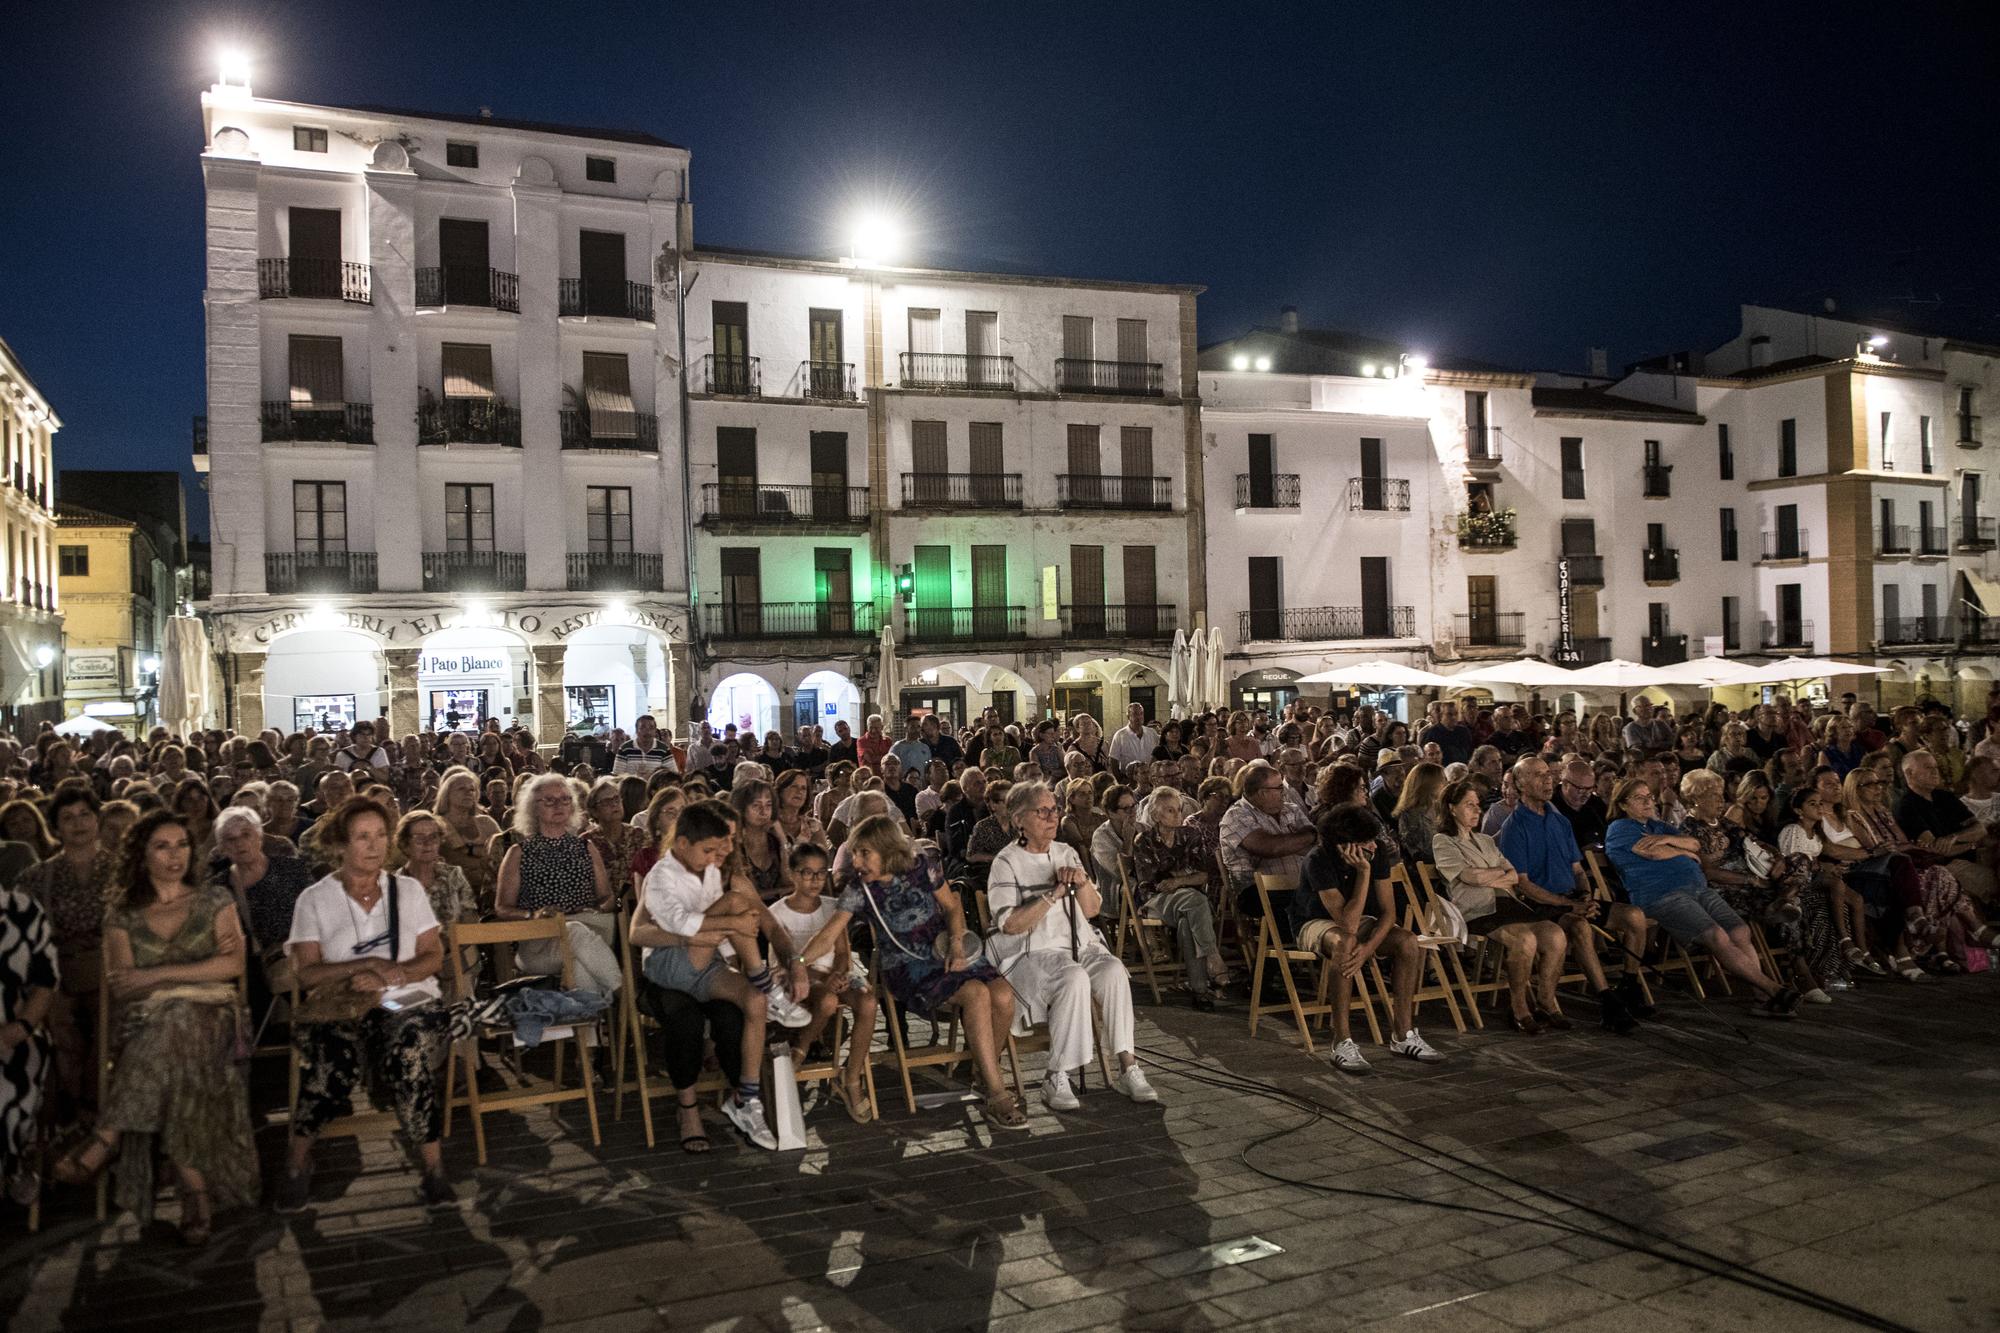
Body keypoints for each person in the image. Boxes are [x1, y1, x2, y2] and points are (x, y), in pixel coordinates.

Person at [53, 809, 258, 1243]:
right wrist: (193, 971)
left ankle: (106, 1139)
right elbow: (122, 987)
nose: (174, 855)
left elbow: (234, 964)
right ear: (140, 854)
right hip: (151, 1027)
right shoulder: (123, 914)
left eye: (182, 844)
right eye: (162, 846)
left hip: (216, 1020)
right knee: (173, 1041)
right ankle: (196, 1194)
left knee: (175, 1022)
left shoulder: (214, 901)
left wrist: (159, 976)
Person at [279, 797, 457, 1211]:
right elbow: (306, 973)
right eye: (362, 837)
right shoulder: (315, 899)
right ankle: (296, 1160)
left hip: (407, 1001)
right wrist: (364, 966)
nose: (374, 846)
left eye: (380, 835)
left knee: (409, 1050)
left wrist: (395, 974)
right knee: (330, 1062)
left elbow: (434, 956)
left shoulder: (407, 890)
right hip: (344, 1006)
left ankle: (433, 1167)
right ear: (341, 844)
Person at [799, 814, 1028, 1130]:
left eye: (865, 853)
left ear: (887, 850)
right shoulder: (859, 890)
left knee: (1002, 994)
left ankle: (980, 1069)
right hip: (907, 965)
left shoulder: (921, 866)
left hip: (945, 947)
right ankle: (996, 1092)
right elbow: (827, 934)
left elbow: (952, 906)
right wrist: (797, 964)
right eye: (854, 853)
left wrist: (959, 943)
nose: (856, 860)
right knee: (976, 993)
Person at [640, 800, 812, 1150]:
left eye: (729, 840)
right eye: (719, 842)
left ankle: (745, 1100)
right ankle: (687, 1108)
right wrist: (728, 926)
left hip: (708, 967)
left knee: (754, 1000)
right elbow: (641, 931)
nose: (726, 847)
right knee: (686, 1018)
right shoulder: (667, 874)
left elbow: (770, 928)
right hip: (670, 964)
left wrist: (795, 962)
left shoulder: (725, 877)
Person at [987, 782, 1157, 1110]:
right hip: (1031, 951)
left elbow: (1091, 910)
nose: (1053, 817)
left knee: (1113, 971)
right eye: (1043, 811)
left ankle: (1127, 1066)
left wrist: (1079, 884)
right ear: (1019, 819)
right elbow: (1009, 924)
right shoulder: (1006, 862)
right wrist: (1052, 894)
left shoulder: (1066, 852)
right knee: (1074, 977)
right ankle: (1056, 1074)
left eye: (1055, 810)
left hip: (1077, 944)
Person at [1605, 779, 1799, 1017]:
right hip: (1662, 894)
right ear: (1623, 804)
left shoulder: (1658, 827)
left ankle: (1762, 1000)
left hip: (1698, 889)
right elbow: (1652, 853)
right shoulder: (1620, 827)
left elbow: (1695, 843)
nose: (1648, 801)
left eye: (1649, 796)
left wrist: (1672, 842)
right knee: (1716, 934)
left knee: (1740, 931)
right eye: (1639, 798)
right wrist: (1682, 851)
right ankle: (1773, 989)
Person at [1496, 756, 1651, 1031]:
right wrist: (1570, 905)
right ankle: (1608, 1002)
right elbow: (1523, 884)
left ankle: (1628, 984)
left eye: (1548, 774)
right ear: (1520, 784)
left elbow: (1578, 870)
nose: (1547, 780)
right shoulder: (1514, 827)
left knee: (1634, 916)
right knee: (1580, 927)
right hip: (1542, 906)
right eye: (1537, 776)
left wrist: (1586, 897)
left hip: (1571, 898)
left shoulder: (1559, 821)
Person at [1292, 803, 1445, 1072]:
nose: (1373, 847)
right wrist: (1363, 873)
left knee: (1408, 941)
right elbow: (1346, 923)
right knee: (1346, 942)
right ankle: (1341, 1040)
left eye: (1373, 840)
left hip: (1359, 920)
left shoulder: (1378, 852)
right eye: (1365, 842)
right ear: (1344, 845)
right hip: (1314, 922)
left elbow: (1388, 913)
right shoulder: (1319, 860)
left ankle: (1403, 1034)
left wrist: (1368, 949)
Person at [1432, 778, 1571, 1032]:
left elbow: (1514, 874)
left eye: (1478, 805)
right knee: (1525, 939)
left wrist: (1490, 876)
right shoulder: (1444, 841)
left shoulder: (1485, 840)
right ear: (1452, 808)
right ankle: (1519, 1007)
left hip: (1507, 903)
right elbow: (1468, 877)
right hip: (1477, 909)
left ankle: (1546, 1000)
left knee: (1555, 935)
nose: (1477, 811)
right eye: (1469, 805)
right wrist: (1497, 876)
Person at [765, 843, 876, 1124]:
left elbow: (841, 951)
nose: (814, 880)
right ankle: (800, 1051)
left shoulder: (832, 907)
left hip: (833, 976)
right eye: (806, 873)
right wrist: (821, 979)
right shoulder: (778, 912)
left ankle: (851, 1076)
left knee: (868, 1001)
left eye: (819, 874)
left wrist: (838, 973)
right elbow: (781, 964)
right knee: (826, 1000)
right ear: (792, 874)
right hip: (799, 979)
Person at [494, 774, 623, 997]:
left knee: (579, 963)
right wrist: (533, 915)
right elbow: (502, 908)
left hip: (586, 934)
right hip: (539, 944)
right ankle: (623, 994)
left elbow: (607, 897)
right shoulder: (519, 853)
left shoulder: (585, 847)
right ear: (533, 807)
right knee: (574, 933)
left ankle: (587, 1026)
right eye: (549, 800)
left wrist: (598, 909)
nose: (559, 805)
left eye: (565, 799)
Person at [1130, 786, 1231, 1009]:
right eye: (1170, 811)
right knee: (1196, 901)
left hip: (1188, 900)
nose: (1178, 815)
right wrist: (1185, 878)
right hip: (1156, 901)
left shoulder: (1190, 835)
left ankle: (1200, 990)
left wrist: (1178, 881)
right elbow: (1154, 884)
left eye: (1179, 810)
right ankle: (1213, 957)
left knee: (1188, 919)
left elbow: (1203, 875)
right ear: (1155, 815)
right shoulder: (1144, 841)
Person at [0, 880, 57, 1206]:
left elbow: (45, 983)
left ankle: (11, 1166)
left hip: (17, 1034)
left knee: (12, 1078)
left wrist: (20, 1027)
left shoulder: (23, 911)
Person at [1896, 751, 1997, 907]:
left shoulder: (1944, 796)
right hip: (1948, 866)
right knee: (1993, 883)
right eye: (1928, 767)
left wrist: (1955, 837)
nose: (1935, 771)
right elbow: (1939, 850)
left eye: (1936, 767)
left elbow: (1980, 829)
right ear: (1910, 773)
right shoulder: (1906, 806)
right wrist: (1972, 843)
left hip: (1975, 854)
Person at [1219, 760, 1316, 909]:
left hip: (1298, 884)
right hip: (1257, 890)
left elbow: (1315, 847)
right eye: (1279, 788)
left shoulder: (1291, 809)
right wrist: (1309, 837)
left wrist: (1288, 844)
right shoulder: (1236, 815)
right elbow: (1270, 847)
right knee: (1310, 902)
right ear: (1263, 792)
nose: (1284, 791)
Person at [1393, 761, 1447, 863]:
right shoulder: (1410, 816)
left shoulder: (1442, 808)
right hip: (1429, 871)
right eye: (1442, 779)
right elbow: (1418, 853)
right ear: (1429, 783)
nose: (1446, 783)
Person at [1107, 703, 1158, 780]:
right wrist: (1120, 779)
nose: (1139, 717)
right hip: (1129, 779)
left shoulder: (1151, 733)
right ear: (1128, 716)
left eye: (1141, 714)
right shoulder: (1120, 735)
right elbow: (1113, 759)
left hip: (1150, 778)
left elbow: (1158, 754)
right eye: (1135, 714)